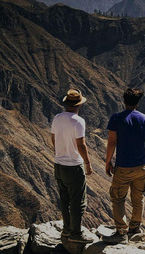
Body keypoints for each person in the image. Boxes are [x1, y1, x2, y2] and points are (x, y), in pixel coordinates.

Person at [105, 88, 145, 243]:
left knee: (118, 198)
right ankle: (135, 227)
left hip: (123, 167)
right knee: (138, 197)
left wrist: (108, 162)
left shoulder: (116, 118)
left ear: (124, 101)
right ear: (138, 103)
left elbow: (112, 142)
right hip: (141, 166)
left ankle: (121, 230)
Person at [51, 89, 93, 243]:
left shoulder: (57, 118)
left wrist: (60, 152)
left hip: (59, 165)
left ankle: (67, 229)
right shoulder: (78, 121)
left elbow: (53, 139)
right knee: (78, 201)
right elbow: (81, 145)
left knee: (65, 199)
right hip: (74, 167)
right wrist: (87, 163)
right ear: (79, 105)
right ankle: (76, 234)